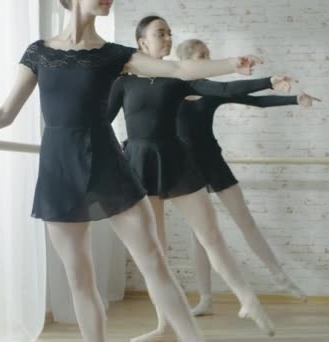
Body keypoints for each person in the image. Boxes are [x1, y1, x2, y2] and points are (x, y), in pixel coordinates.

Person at [0, 1, 262, 341]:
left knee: (153, 261)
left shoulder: (112, 54)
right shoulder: (38, 52)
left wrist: (230, 64)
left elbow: (178, 69)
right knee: (79, 277)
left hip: (108, 165)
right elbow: (5, 113)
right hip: (59, 170)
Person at [107, 15, 281, 340]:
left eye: (170, 33)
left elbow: (225, 88)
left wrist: (268, 81)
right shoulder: (123, 81)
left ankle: (247, 298)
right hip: (139, 163)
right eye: (161, 33)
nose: (168, 38)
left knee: (211, 234)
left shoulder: (178, 79)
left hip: (174, 160)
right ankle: (165, 326)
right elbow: (102, 121)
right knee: (156, 250)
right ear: (143, 42)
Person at [175, 38, 322, 316]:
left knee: (245, 220)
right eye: (202, 55)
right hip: (186, 169)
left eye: (209, 54)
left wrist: (294, 99)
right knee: (200, 236)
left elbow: (254, 101)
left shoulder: (212, 90)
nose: (209, 58)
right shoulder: (170, 89)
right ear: (187, 60)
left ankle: (280, 278)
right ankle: (205, 298)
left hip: (213, 162)